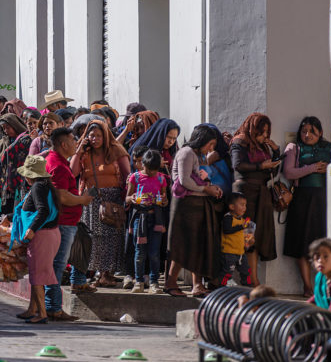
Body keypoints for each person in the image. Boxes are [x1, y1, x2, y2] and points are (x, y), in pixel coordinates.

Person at [163, 125, 224, 298]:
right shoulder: (186, 153)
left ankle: (197, 285)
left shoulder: (200, 155)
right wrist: (207, 189)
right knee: (181, 245)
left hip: (197, 205)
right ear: (202, 139)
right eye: (210, 144)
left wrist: (211, 188)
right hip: (184, 206)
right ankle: (170, 283)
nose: (211, 148)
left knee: (197, 245)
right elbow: (184, 181)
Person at [70, 120, 130, 288]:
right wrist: (78, 151)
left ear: (105, 136)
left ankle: (107, 273)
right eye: (91, 135)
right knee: (94, 237)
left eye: (98, 135)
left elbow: (128, 176)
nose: (95, 138)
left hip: (113, 200)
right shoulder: (84, 153)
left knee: (112, 237)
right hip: (91, 200)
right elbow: (73, 172)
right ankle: (97, 273)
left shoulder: (117, 151)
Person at [44, 128, 94, 319]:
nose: (76, 143)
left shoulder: (57, 162)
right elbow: (62, 196)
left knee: (57, 264)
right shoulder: (57, 165)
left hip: (65, 222)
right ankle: (53, 307)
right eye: (74, 140)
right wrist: (82, 200)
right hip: (63, 223)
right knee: (58, 265)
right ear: (63, 144)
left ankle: (53, 306)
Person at [282, 116, 331, 297]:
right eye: (304, 131)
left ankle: (322, 286)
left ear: (321, 132)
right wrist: (311, 168)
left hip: (324, 199)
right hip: (302, 199)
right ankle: (307, 286)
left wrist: (328, 169)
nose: (307, 135)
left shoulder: (329, 148)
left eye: (312, 131)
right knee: (301, 243)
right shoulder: (294, 148)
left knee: (322, 242)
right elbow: (288, 172)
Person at [231, 113, 280, 286]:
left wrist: (275, 152)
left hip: (261, 193)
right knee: (246, 235)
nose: (265, 136)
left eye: (267, 132)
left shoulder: (263, 146)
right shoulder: (240, 142)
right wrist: (260, 166)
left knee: (257, 236)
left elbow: (272, 171)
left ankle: (253, 277)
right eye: (262, 131)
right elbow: (237, 165)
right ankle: (251, 278)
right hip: (245, 193)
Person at [13, 155, 61, 324]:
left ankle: (41, 313)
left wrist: (32, 229)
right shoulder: (45, 186)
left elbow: (43, 211)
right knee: (36, 273)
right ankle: (32, 309)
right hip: (50, 234)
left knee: (38, 275)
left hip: (42, 236)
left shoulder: (38, 187)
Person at [124, 149, 168, 293]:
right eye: (149, 170)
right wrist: (134, 197)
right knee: (139, 252)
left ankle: (154, 282)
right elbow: (127, 198)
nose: (151, 173)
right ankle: (139, 281)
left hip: (156, 219)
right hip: (139, 218)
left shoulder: (161, 179)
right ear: (143, 165)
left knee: (154, 252)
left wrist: (160, 200)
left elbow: (165, 200)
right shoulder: (135, 178)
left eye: (154, 171)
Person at [0, 113, 32, 216]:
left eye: (8, 127)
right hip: (5, 185)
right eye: (4, 128)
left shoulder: (26, 139)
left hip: (21, 182)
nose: (6, 131)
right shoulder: (2, 142)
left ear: (15, 125)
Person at [221, 192, 254, 287]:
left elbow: (245, 234)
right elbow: (227, 230)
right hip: (229, 252)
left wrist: (250, 240)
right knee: (227, 273)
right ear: (232, 207)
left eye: (245, 205)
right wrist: (241, 227)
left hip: (241, 253)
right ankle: (221, 289)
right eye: (242, 205)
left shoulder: (243, 220)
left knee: (246, 271)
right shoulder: (228, 217)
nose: (244, 208)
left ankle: (247, 287)